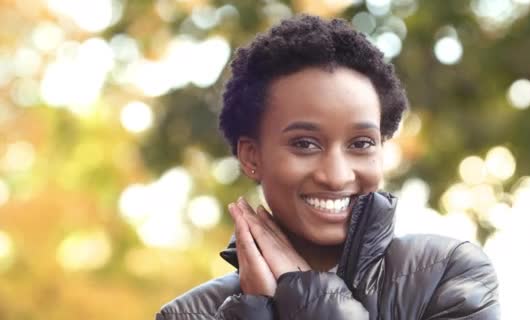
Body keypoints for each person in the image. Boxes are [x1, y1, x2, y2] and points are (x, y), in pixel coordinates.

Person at [156, 14, 500, 320]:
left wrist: (306, 300)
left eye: (361, 143)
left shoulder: (447, 274)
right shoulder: (188, 315)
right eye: (305, 144)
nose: (336, 176)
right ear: (252, 157)